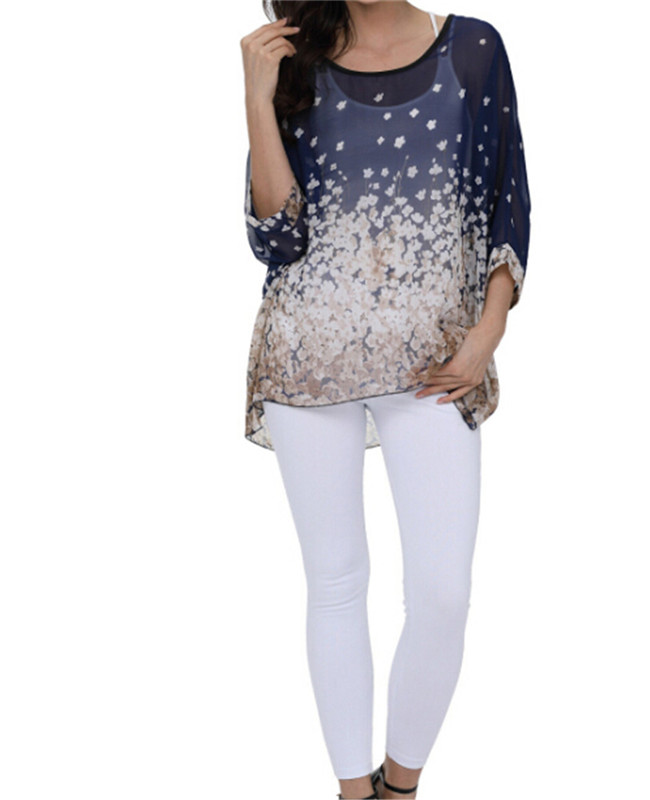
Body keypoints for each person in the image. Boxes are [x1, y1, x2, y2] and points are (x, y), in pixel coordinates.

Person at [239, 2, 531, 797]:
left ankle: (400, 787)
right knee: (336, 582)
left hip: (435, 360)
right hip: (310, 356)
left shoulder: (471, 48)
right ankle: (352, 791)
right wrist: (257, 99)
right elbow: (276, 239)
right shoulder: (294, 59)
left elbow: (506, 198)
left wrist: (488, 330)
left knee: (443, 593)